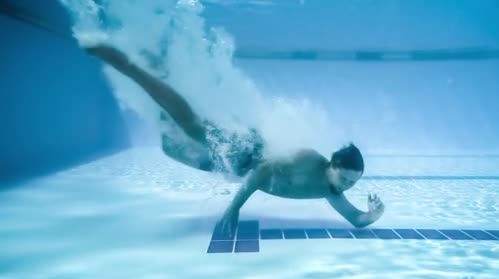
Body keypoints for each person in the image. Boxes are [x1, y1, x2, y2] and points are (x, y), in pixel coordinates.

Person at [84, 44, 384, 235]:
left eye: (351, 184)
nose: (346, 187)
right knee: (191, 127)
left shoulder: (330, 191)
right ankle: (129, 65)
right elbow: (261, 172)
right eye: (345, 179)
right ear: (332, 164)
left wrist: (372, 214)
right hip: (246, 152)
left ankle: (160, 74)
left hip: (236, 168)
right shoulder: (309, 160)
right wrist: (234, 208)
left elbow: (356, 220)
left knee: (169, 146)